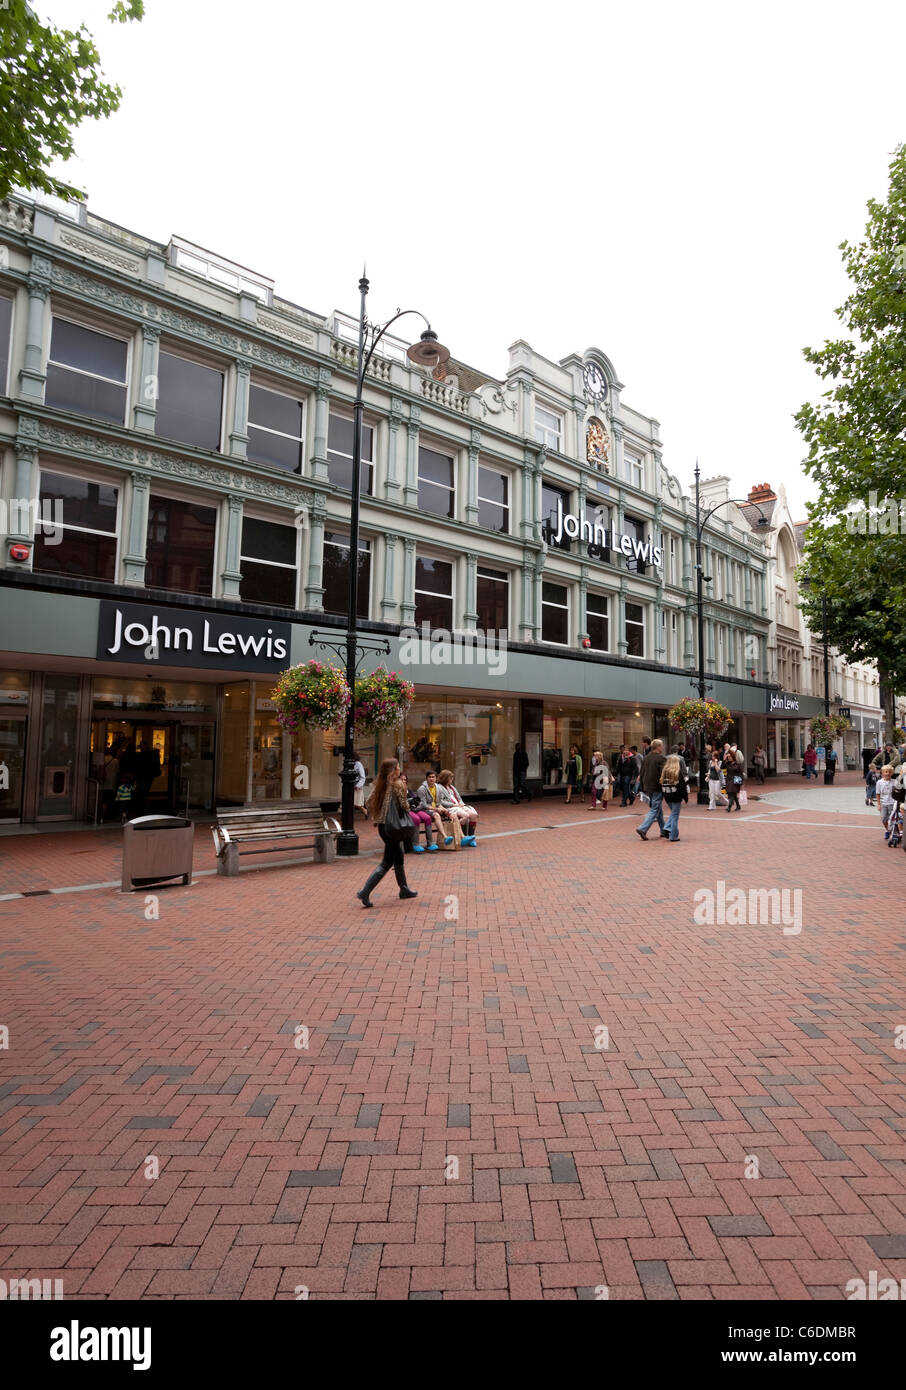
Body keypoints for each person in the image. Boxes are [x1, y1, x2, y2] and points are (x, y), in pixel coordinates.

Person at [356, 758, 418, 907]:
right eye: (397, 767)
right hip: (394, 827)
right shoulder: (398, 784)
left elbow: (369, 802)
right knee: (387, 861)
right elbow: (404, 805)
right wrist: (410, 806)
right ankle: (365, 891)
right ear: (393, 770)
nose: (399, 769)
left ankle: (404, 889)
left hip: (384, 827)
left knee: (398, 855)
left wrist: (379, 813)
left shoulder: (380, 784)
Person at [417, 769, 461, 847]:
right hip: (425, 810)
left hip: (436, 808)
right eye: (429, 777)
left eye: (433, 777)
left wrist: (442, 808)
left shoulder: (438, 788)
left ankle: (462, 837)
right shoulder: (422, 789)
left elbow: (439, 803)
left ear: (436, 778)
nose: (431, 779)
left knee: (453, 815)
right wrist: (437, 809)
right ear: (426, 778)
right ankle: (445, 837)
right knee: (436, 815)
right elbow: (423, 805)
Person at [636, 738, 668, 840]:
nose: (662, 747)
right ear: (658, 747)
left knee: (658, 809)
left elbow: (642, 773)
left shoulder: (647, 757)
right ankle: (643, 828)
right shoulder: (661, 758)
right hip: (657, 787)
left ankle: (663, 830)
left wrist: (642, 787)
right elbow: (664, 774)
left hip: (648, 786)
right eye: (661, 745)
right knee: (655, 808)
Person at [437, 770, 477, 845]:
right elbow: (441, 802)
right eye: (450, 778)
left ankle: (471, 837)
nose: (452, 780)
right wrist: (453, 805)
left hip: (458, 806)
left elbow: (459, 798)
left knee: (474, 815)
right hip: (451, 807)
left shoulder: (452, 787)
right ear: (445, 778)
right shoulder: (439, 787)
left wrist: (462, 804)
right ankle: (462, 836)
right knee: (466, 816)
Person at [399, 773, 437, 852]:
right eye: (401, 779)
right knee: (416, 819)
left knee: (427, 818)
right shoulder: (397, 790)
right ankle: (415, 844)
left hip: (415, 809)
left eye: (405, 780)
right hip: (406, 810)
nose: (403, 781)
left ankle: (430, 843)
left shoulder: (408, 790)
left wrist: (416, 803)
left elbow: (417, 799)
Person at [660, 753, 688, 841]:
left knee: (673, 813)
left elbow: (661, 784)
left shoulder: (664, 772)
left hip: (667, 795)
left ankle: (667, 828)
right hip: (676, 796)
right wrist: (685, 797)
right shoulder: (677, 772)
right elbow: (682, 786)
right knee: (675, 815)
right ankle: (672, 835)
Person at [876, 764, 896, 838]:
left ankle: (892, 832)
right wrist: (878, 804)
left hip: (893, 803)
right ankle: (887, 830)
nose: (888, 773)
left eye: (890, 772)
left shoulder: (894, 782)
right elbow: (878, 793)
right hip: (883, 803)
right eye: (886, 772)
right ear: (882, 773)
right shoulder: (879, 782)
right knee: (883, 818)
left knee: (892, 819)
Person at [352, 753, 367, 818]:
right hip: (351, 785)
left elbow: (362, 777)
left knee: (356, 803)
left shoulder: (358, 764)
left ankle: (364, 810)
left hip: (356, 786)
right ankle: (348, 816)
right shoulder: (351, 764)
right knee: (352, 802)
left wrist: (358, 785)